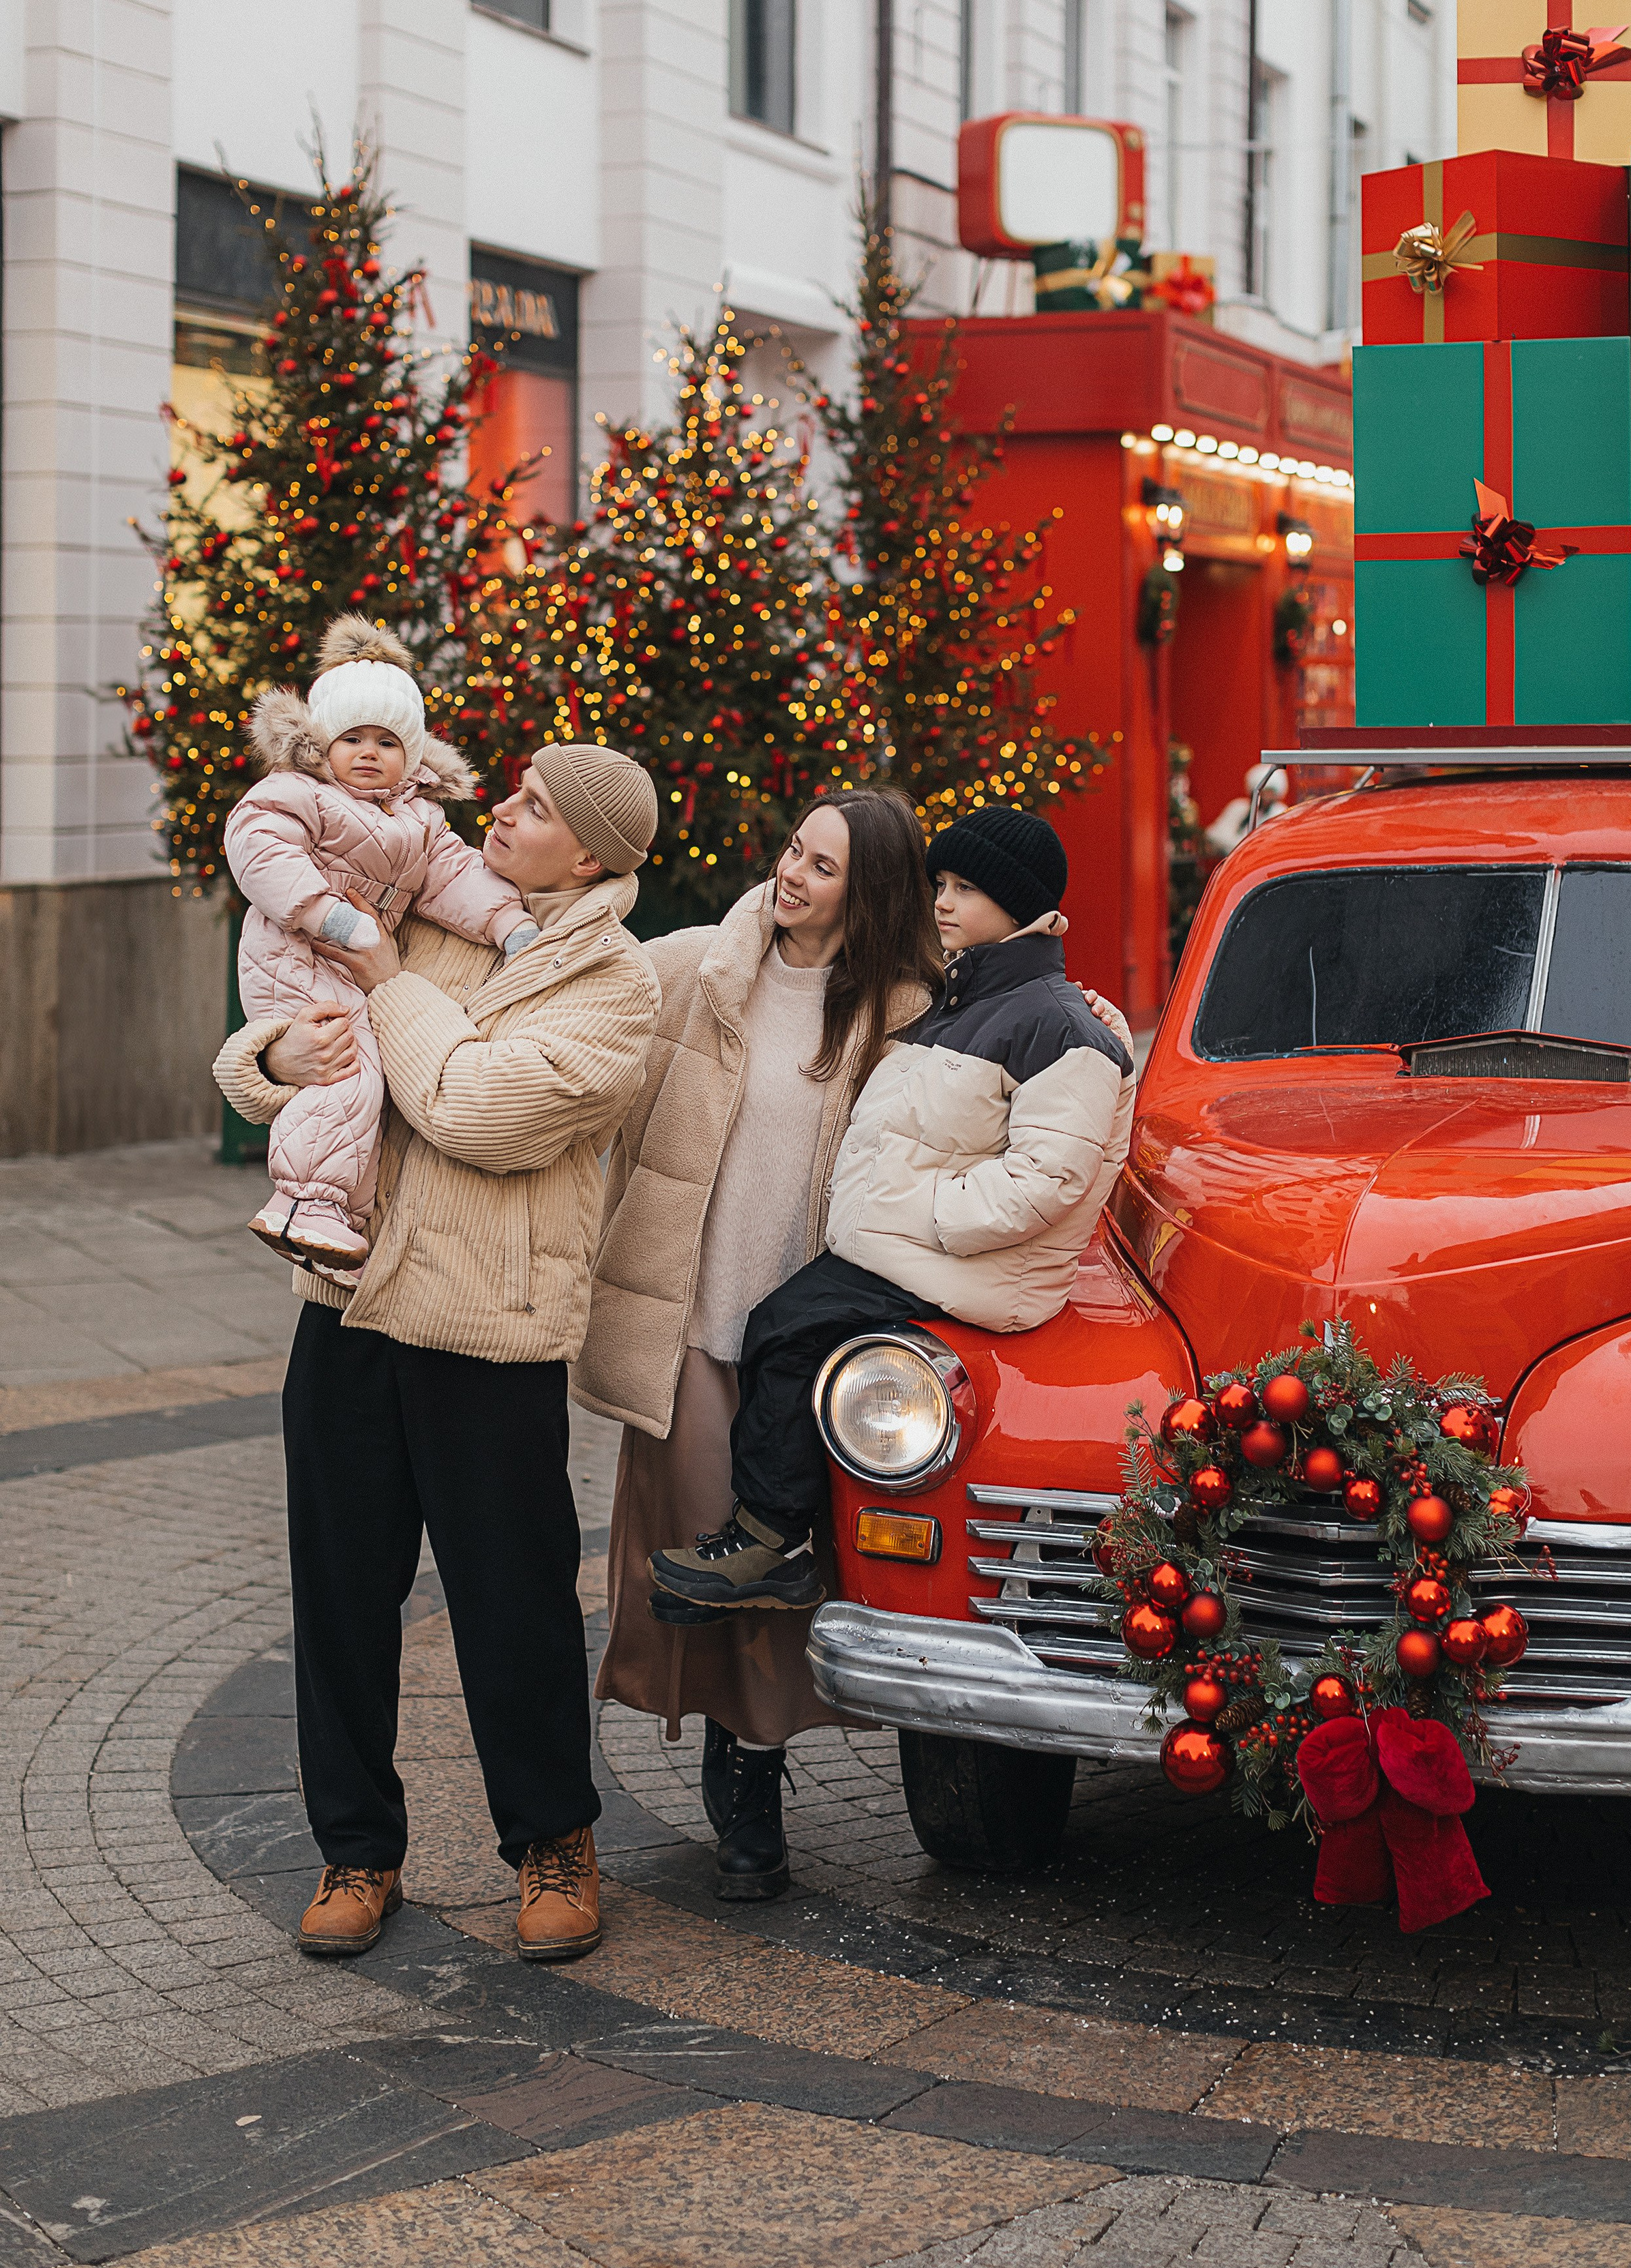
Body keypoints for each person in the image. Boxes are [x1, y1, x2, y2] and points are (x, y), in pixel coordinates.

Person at [212, 742, 661, 1968]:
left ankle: (554, 1845)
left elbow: (474, 1110)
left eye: (532, 808)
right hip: (349, 1306)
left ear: (592, 854)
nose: (500, 814)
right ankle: (356, 1850)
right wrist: (269, 1064)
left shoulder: (612, 982)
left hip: (488, 1330)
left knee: (511, 1604)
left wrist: (389, 984)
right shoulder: (430, 902)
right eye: (511, 794)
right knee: (340, 1598)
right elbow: (288, 1034)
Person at [579, 790, 941, 1899]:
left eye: (822, 866)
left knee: (784, 1568)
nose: (792, 875)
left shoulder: (904, 1008)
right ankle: (736, 1767)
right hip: (691, 1323)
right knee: (710, 1559)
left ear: (865, 893)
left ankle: (755, 1769)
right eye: (793, 850)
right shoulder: (698, 969)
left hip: (808, 1346)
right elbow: (578, 1026)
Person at [651, 804, 1137, 1615]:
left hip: (960, 1266)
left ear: (1019, 907)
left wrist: (924, 1213)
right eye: (939, 884)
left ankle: (773, 1538)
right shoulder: (969, 997)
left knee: (787, 1332)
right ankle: (778, 1534)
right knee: (783, 1329)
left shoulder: (1054, 1024)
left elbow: (1046, 1181)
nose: (942, 901)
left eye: (967, 888)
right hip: (912, 1248)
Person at [224, 617, 537, 1279]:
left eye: (388, 741)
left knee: (372, 1077)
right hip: (295, 952)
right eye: (353, 738)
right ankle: (302, 1202)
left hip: (346, 963)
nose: (370, 753)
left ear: (413, 752)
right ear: (322, 743)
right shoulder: (303, 793)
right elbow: (257, 843)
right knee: (351, 1067)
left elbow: (454, 876)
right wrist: (330, 917)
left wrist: (510, 923)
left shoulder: (420, 818)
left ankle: (337, 1227)